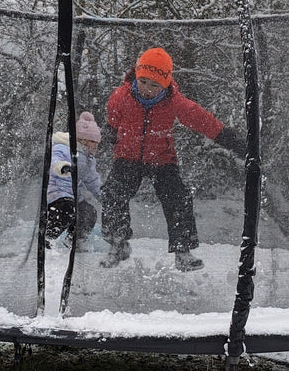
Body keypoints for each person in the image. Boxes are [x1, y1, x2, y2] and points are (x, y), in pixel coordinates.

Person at [100, 47, 245, 271]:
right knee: (112, 192)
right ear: (137, 77)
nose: (147, 89)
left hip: (161, 158)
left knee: (178, 197)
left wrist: (232, 141)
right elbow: (113, 116)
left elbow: (202, 120)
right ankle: (118, 242)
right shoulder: (121, 96)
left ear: (165, 84)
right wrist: (110, 130)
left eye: (154, 85)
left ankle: (182, 251)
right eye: (144, 82)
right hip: (127, 157)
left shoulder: (174, 102)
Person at [45, 111, 103, 249]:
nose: (96, 146)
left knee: (89, 212)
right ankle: (48, 238)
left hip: (74, 195)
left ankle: (75, 240)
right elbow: (54, 160)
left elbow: (92, 180)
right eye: (93, 142)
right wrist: (63, 167)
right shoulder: (64, 148)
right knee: (67, 210)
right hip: (57, 192)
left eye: (97, 143)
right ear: (82, 140)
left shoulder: (89, 160)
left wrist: (103, 194)